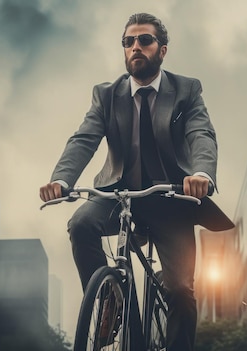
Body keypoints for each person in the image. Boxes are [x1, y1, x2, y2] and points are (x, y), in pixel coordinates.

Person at [39, 12, 233, 351]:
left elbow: (201, 133)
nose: (135, 47)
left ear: (162, 50)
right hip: (118, 194)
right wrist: (61, 179)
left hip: (171, 199)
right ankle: (111, 305)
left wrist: (201, 174)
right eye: (128, 42)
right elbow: (83, 139)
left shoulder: (186, 90)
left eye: (144, 40)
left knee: (180, 290)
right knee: (80, 224)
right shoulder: (106, 94)